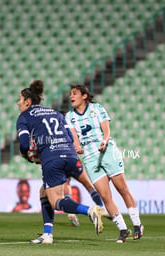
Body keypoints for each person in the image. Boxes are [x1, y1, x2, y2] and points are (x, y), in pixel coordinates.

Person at [16, 80, 104, 244]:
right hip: (71, 155)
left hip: (52, 158)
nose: (18, 103)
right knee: (44, 192)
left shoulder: (24, 117)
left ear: (27, 102)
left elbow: (24, 144)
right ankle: (47, 234)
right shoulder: (56, 113)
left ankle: (90, 210)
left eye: (20, 99)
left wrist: (27, 155)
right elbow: (70, 137)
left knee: (55, 200)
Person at [65, 84, 144, 243]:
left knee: (122, 188)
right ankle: (123, 229)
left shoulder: (97, 109)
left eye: (74, 93)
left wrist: (104, 140)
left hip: (107, 152)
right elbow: (74, 138)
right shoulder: (69, 116)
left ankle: (137, 224)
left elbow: (106, 130)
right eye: (70, 94)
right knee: (105, 196)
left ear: (84, 96)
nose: (71, 96)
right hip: (90, 158)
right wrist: (77, 146)